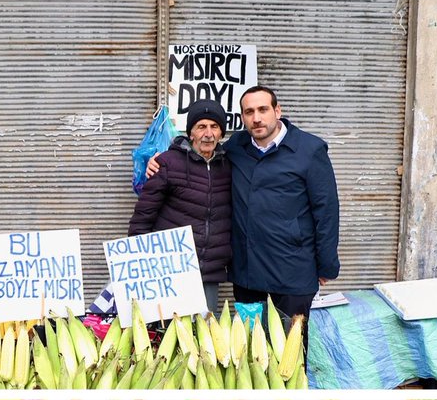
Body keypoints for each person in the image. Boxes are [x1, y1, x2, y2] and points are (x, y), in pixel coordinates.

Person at [148, 86, 339, 330]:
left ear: (277, 111)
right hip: (249, 276)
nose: (256, 118)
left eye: (263, 110)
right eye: (249, 112)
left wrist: (326, 264)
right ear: (242, 118)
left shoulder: (309, 150)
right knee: (251, 352)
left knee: (290, 354)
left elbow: (327, 211)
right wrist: (161, 161)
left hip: (293, 273)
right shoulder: (237, 146)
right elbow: (199, 151)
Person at [129, 99, 232, 312]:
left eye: (214, 127)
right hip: (171, 269)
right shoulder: (167, 163)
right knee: (167, 333)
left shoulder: (230, 165)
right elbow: (143, 215)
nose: (208, 133)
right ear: (191, 133)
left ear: (221, 133)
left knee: (204, 337)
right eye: (201, 127)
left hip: (209, 270)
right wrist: (137, 259)